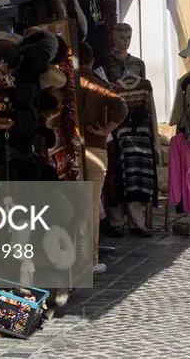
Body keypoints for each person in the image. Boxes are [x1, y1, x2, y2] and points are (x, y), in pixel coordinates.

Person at [77, 42, 129, 273]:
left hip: (69, 150)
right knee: (90, 204)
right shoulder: (98, 83)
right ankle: (89, 259)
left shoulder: (66, 83)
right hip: (95, 147)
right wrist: (106, 130)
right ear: (91, 61)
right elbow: (121, 106)